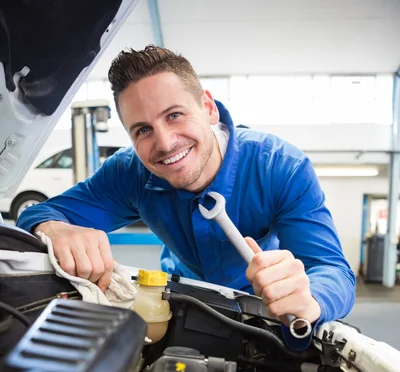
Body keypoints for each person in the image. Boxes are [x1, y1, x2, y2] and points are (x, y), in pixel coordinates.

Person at [17, 45, 356, 348]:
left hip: (261, 310)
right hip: (178, 301)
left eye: (174, 115)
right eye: (143, 130)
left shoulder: (279, 167)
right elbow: (40, 214)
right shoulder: (129, 173)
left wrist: (309, 298)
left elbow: (332, 270)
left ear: (208, 107)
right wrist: (55, 228)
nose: (164, 143)